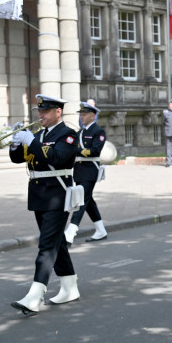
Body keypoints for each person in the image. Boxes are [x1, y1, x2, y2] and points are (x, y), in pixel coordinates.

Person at [8, 95, 80, 315]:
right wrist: (15, 143)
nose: (40, 116)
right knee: (57, 243)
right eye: (39, 112)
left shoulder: (68, 134)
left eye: (45, 112)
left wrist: (32, 142)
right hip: (40, 194)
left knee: (46, 246)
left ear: (58, 112)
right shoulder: (40, 134)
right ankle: (69, 287)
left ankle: (35, 294)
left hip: (58, 195)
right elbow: (19, 159)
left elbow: (57, 158)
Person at [64, 102, 107, 245]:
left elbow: (95, 150)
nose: (81, 117)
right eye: (80, 114)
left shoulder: (98, 131)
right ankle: (100, 230)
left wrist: (76, 151)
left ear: (93, 116)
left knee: (80, 200)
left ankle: (70, 232)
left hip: (90, 170)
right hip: (79, 170)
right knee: (88, 201)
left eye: (84, 114)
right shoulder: (79, 133)